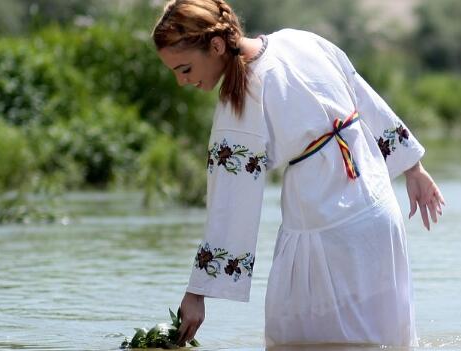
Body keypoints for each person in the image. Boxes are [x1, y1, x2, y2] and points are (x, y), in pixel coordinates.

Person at [151, 0, 445, 347]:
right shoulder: (300, 41)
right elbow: (364, 96)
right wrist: (414, 167)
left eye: (184, 69)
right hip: (379, 215)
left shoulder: (240, 99)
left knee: (295, 342)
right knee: (382, 341)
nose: (182, 82)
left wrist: (197, 292)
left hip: (326, 233)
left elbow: (230, 205)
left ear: (215, 46)